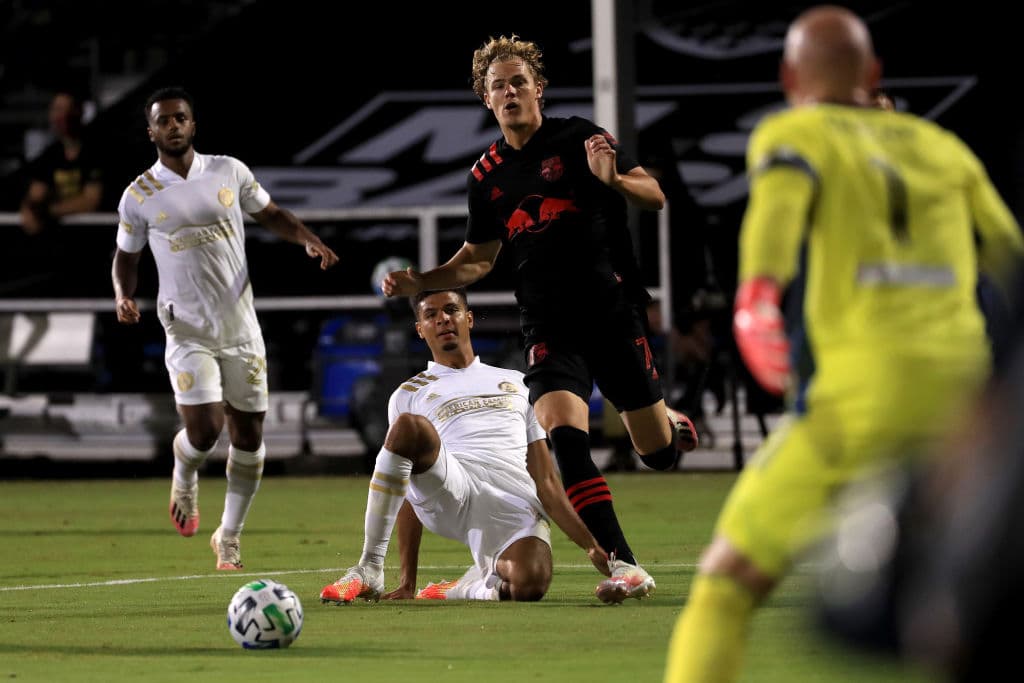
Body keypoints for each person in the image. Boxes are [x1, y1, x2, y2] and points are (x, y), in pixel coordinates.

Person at [662, 6, 1024, 682]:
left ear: (788, 74)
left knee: (725, 585)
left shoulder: (796, 130)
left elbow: (777, 208)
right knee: (957, 606)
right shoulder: (942, 147)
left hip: (861, 403)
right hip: (967, 413)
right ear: (874, 73)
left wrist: (755, 299)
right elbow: (1010, 253)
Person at [381, 34, 698, 604]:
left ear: (538, 90)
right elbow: (477, 259)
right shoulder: (486, 176)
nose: (508, 92)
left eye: (517, 82)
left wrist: (614, 180)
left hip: (612, 311)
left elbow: (653, 194)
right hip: (548, 325)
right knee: (564, 441)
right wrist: (422, 282)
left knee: (657, 454)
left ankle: (669, 424)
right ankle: (625, 565)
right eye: (497, 85)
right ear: (486, 99)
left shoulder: (581, 138)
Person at [111, 86, 339, 570]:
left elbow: (270, 214)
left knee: (250, 437)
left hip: (240, 327)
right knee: (206, 429)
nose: (173, 126)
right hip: (186, 328)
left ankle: (229, 536)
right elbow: (125, 258)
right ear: (150, 131)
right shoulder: (139, 195)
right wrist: (123, 295)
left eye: (180, 118)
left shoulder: (228, 171)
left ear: (193, 124)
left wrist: (306, 238)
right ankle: (185, 472)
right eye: (163, 121)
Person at [319, 287, 610, 603]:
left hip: (511, 498)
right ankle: (370, 567)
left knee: (530, 585)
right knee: (410, 428)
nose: (442, 319)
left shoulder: (519, 381)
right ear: (420, 329)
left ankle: (461, 588)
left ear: (468, 318)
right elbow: (404, 489)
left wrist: (591, 545)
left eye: (451, 310)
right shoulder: (409, 393)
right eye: (431, 314)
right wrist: (407, 580)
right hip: (452, 487)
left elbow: (546, 480)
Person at [19, 88, 104, 236]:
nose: (61, 116)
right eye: (56, 109)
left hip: (93, 238)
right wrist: (30, 208)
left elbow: (91, 200)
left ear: (79, 112)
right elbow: (36, 194)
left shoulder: (95, 152)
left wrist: (49, 211)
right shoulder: (50, 156)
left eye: (66, 110)